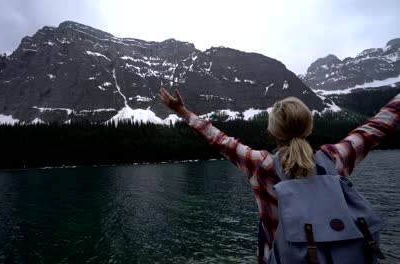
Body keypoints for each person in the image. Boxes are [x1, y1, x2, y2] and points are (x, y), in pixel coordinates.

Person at [158, 88, 400, 263]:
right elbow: (377, 126)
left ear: (271, 131)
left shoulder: (262, 165)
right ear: (309, 127)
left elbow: (220, 140)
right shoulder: (335, 158)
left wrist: (183, 112)